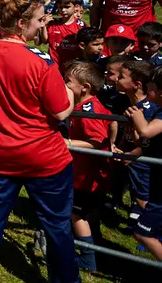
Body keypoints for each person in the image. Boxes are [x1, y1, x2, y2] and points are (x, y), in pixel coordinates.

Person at [0, 0, 80, 283]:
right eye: (40, 20)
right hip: (45, 159)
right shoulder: (40, 61)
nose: (43, 25)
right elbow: (61, 112)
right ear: (20, 23)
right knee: (56, 226)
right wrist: (71, 91)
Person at [62, 61, 117, 271]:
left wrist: (67, 143)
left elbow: (95, 141)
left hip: (87, 176)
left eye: (68, 81)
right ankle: (97, 242)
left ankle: (87, 259)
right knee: (87, 211)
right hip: (91, 173)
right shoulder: (91, 104)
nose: (64, 84)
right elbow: (113, 122)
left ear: (84, 87)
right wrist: (112, 142)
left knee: (77, 215)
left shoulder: (88, 111)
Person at [124, 66, 162, 259]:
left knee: (142, 233)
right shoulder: (158, 112)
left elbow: (147, 131)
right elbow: (144, 141)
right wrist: (134, 127)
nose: (147, 87)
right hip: (156, 182)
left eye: (151, 85)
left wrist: (138, 117)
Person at [115, 61, 155, 222]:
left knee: (144, 199)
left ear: (137, 84)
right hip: (133, 159)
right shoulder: (131, 105)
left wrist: (132, 155)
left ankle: (153, 234)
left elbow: (151, 141)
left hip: (143, 164)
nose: (116, 79)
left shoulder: (148, 109)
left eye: (121, 76)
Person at [37, 0, 85, 70]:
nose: (63, 10)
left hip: (73, 67)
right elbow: (45, 41)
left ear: (76, 7)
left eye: (67, 7)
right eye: (60, 7)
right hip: (54, 65)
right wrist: (44, 26)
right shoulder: (53, 23)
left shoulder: (81, 26)